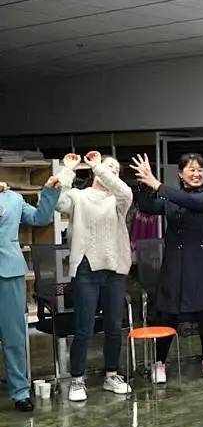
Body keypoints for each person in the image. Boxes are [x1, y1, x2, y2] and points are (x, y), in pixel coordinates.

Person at [131, 153, 203, 382]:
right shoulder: (170, 199)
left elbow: (191, 202)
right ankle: (159, 363)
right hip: (175, 265)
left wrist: (158, 185)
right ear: (180, 173)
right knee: (168, 315)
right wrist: (144, 182)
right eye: (191, 170)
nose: (196, 174)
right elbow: (147, 206)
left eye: (200, 170)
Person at [56, 151, 134, 402]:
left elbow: (125, 191)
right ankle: (77, 379)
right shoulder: (79, 196)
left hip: (114, 269)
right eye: (109, 168)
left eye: (116, 170)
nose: (112, 173)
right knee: (84, 328)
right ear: (93, 172)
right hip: (86, 270)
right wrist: (68, 170)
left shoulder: (118, 201)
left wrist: (101, 167)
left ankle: (112, 375)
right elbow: (59, 203)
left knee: (114, 326)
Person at [0, 171, 60, 412]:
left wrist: (50, 191)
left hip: (9, 271)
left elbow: (40, 218)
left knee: (14, 336)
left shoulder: (13, 198)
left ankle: (20, 392)